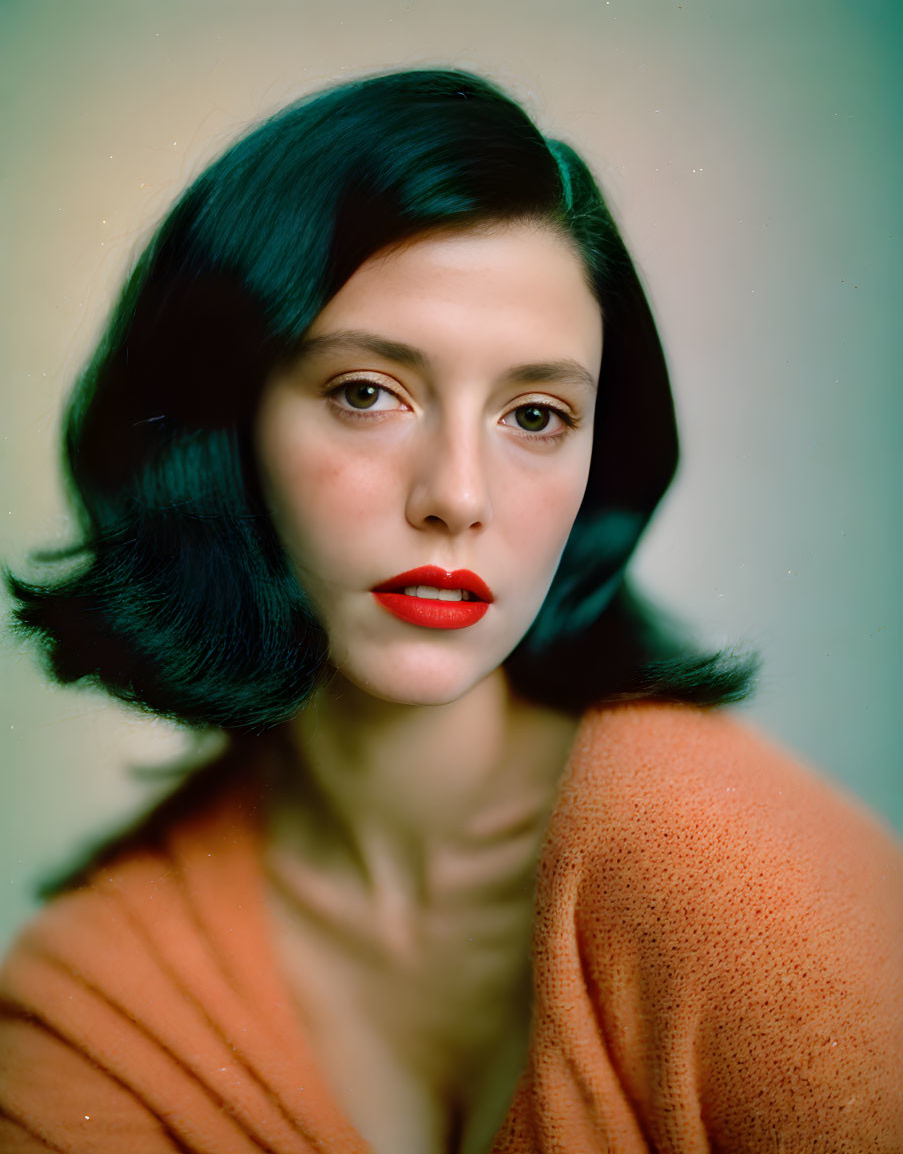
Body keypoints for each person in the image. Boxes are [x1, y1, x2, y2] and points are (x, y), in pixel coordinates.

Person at [1, 67, 900, 1154]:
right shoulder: (102, 998)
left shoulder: (721, 868)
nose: (459, 498)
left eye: (535, 414)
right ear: (218, 429)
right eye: (368, 393)